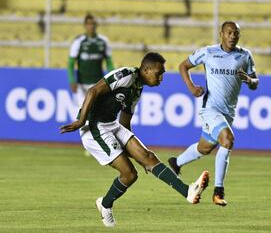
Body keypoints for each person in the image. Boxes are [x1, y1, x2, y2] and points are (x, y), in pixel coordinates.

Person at [60, 52, 209, 227]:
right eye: (158, 73)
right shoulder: (126, 75)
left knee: (149, 158)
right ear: (145, 70)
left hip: (111, 124)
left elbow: (125, 121)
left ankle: (188, 191)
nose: (161, 78)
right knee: (129, 174)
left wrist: (138, 156)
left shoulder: (137, 89)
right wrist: (80, 120)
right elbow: (93, 91)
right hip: (94, 127)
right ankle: (105, 205)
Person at [167, 21, 259, 207]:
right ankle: (218, 191)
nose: (232, 36)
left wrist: (249, 80)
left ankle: (176, 163)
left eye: (236, 33)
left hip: (228, 112)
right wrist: (191, 87)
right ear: (221, 34)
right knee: (228, 140)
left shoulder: (245, 55)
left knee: (205, 148)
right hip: (210, 109)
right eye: (229, 32)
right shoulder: (208, 52)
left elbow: (256, 82)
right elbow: (183, 66)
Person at [67, 14, 114, 108]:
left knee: (97, 112)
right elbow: (71, 63)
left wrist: (112, 80)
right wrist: (72, 80)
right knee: (82, 112)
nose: (91, 26)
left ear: (96, 25)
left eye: (93, 23)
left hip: (97, 84)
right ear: (85, 25)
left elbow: (109, 62)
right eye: (88, 24)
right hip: (82, 85)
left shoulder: (103, 41)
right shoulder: (78, 42)